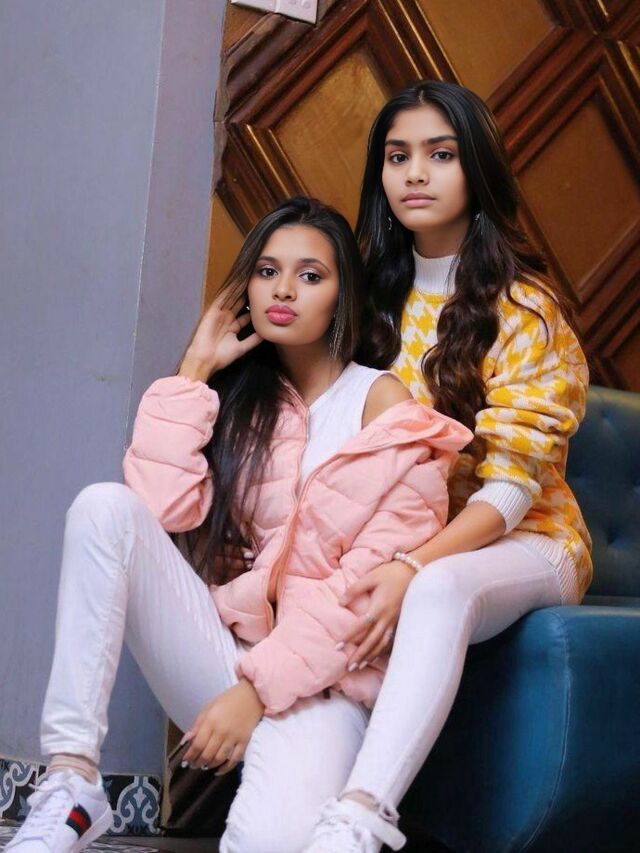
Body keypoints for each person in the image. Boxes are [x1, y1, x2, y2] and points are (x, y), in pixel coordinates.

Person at [8, 196, 471, 853]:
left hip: (326, 687)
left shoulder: (382, 404)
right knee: (104, 508)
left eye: (310, 275)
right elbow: (159, 512)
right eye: (267, 271)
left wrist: (256, 692)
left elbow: (361, 595)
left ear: (343, 295)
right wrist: (195, 369)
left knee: (269, 843)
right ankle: (72, 779)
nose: (283, 289)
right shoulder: (239, 399)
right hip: (223, 657)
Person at [303, 80, 592, 852]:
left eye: (440, 154)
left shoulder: (524, 311)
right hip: (400, 537)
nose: (415, 174)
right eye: (397, 157)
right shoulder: (365, 302)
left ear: (477, 170)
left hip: (531, 538)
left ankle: (358, 818)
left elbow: (511, 490)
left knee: (435, 588)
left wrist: (411, 563)